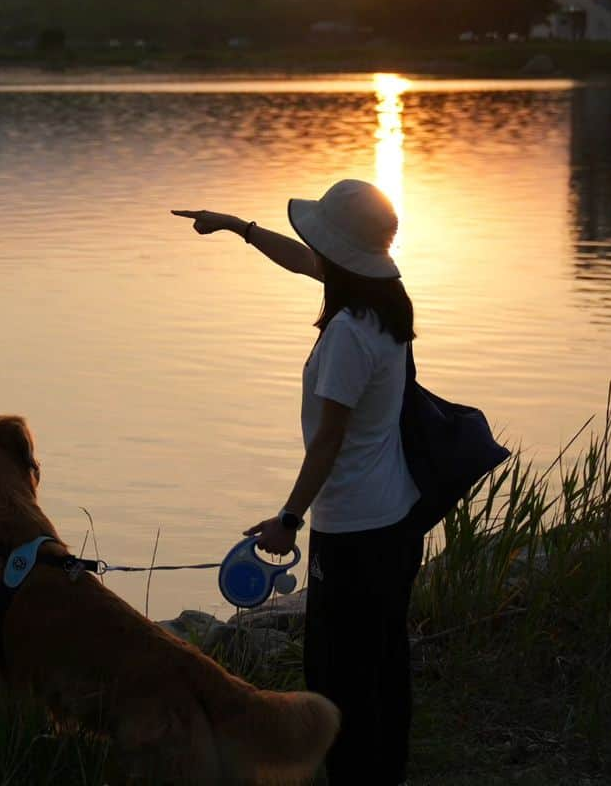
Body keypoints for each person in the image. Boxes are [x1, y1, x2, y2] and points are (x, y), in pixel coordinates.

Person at [172, 179, 424, 786]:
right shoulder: (384, 300)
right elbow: (303, 260)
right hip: (397, 519)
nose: (315, 255)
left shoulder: (346, 336)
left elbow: (328, 443)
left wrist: (288, 520)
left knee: (337, 675)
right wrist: (236, 225)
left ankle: (353, 772)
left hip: (354, 532)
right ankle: (386, 770)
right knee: (385, 660)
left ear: (339, 252)